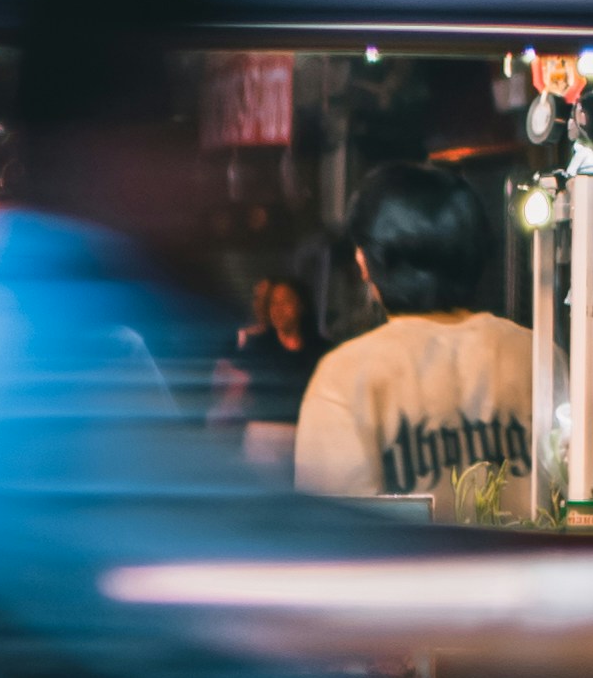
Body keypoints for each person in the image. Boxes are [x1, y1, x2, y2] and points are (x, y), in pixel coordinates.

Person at [295, 161, 531, 507]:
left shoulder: (346, 375)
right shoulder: (538, 356)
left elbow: (335, 535)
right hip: (541, 562)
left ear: (366, 261)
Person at [219, 274, 323, 429]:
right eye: (273, 303)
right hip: (264, 431)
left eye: (286, 301)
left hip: (305, 429)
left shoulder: (320, 351)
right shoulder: (257, 348)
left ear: (301, 305)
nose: (278, 309)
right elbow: (235, 389)